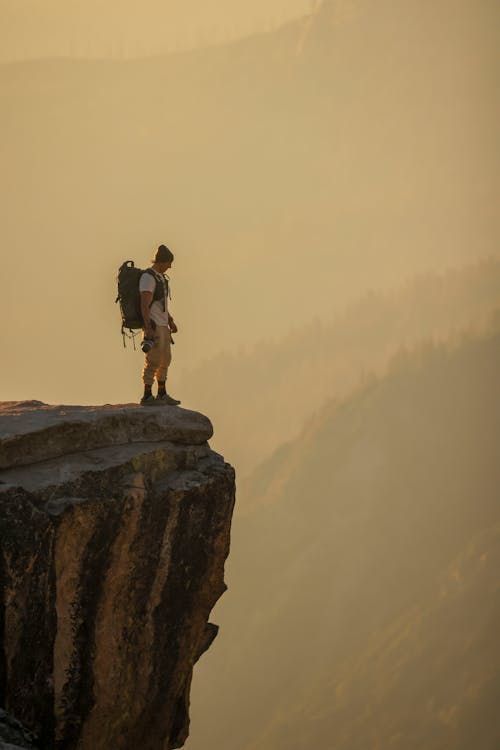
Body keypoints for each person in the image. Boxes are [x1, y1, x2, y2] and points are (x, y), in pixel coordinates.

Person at [139, 244, 181, 406]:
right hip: (154, 325)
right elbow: (144, 303)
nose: (170, 266)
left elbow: (160, 303)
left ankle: (162, 393)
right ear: (162, 261)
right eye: (168, 263)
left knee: (165, 359)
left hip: (162, 325)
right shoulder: (148, 278)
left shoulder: (160, 278)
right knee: (153, 359)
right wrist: (148, 327)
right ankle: (147, 395)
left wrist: (170, 321)